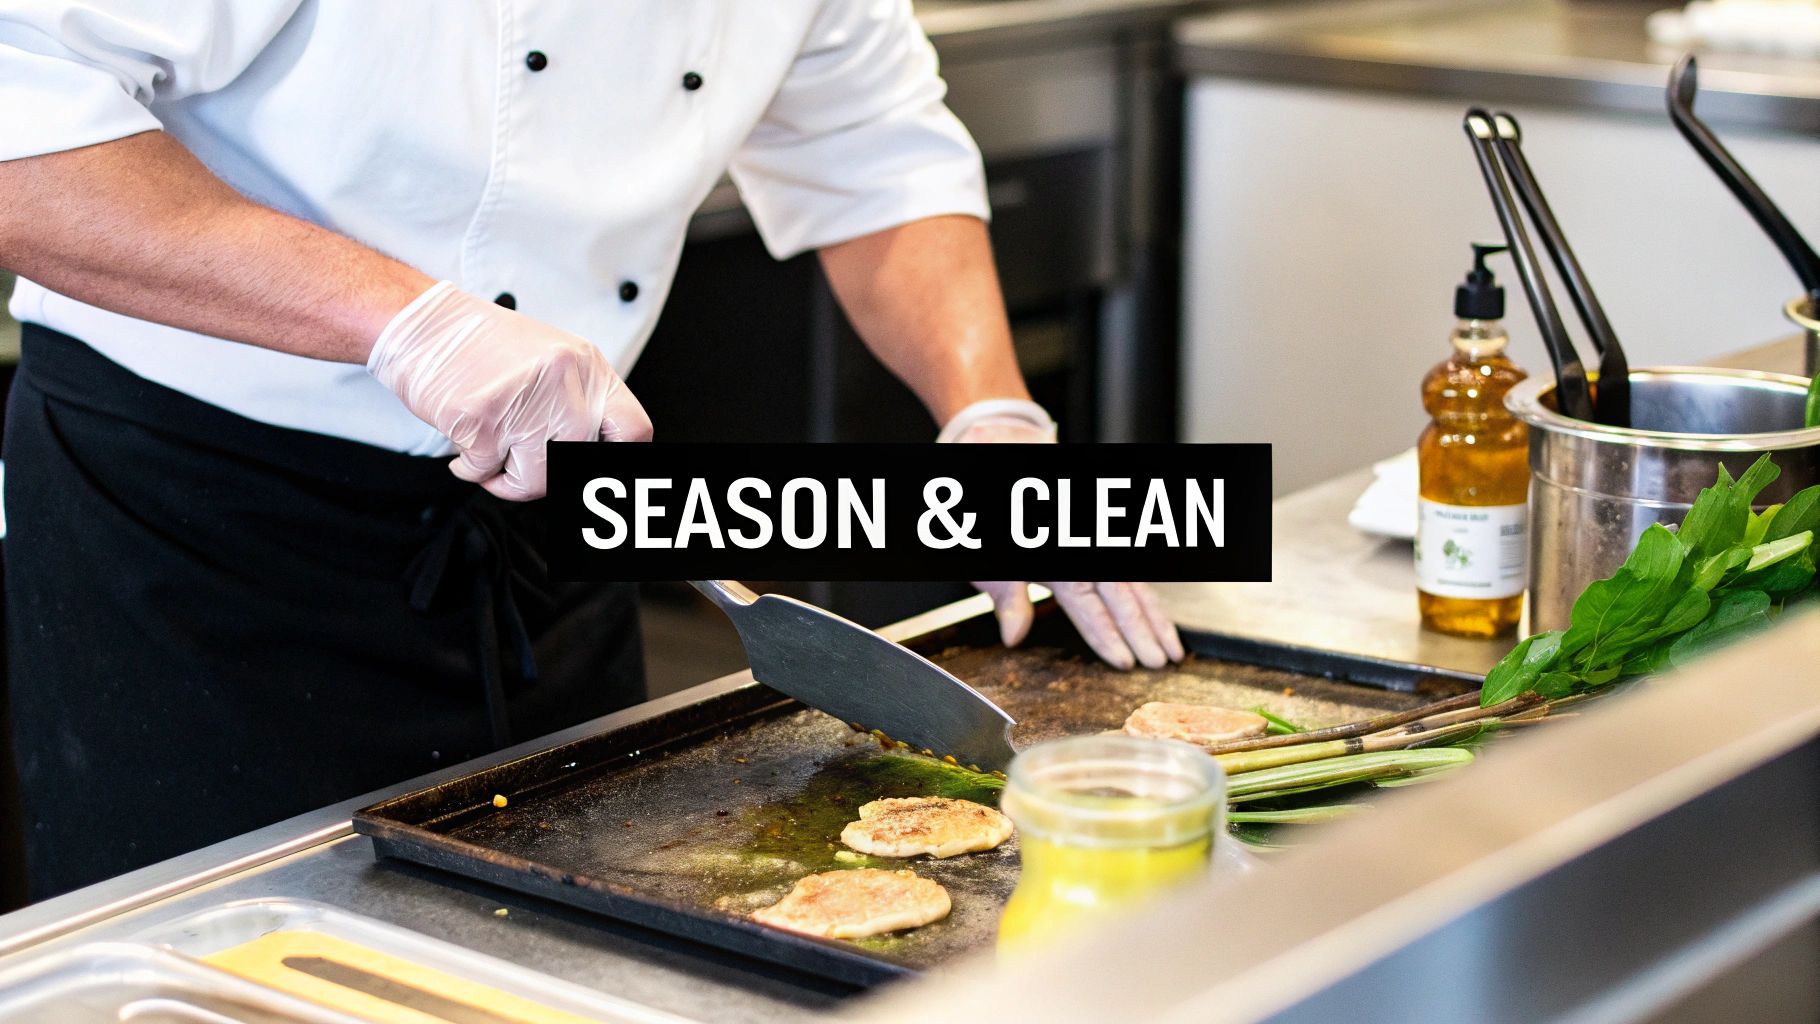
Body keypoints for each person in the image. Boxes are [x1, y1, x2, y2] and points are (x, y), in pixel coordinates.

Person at [0, 1, 1184, 900]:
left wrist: (989, 418)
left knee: (574, 925)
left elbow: (874, 150)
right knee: (244, 944)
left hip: (549, 508)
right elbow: (23, 124)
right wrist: (404, 319)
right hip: (195, 525)